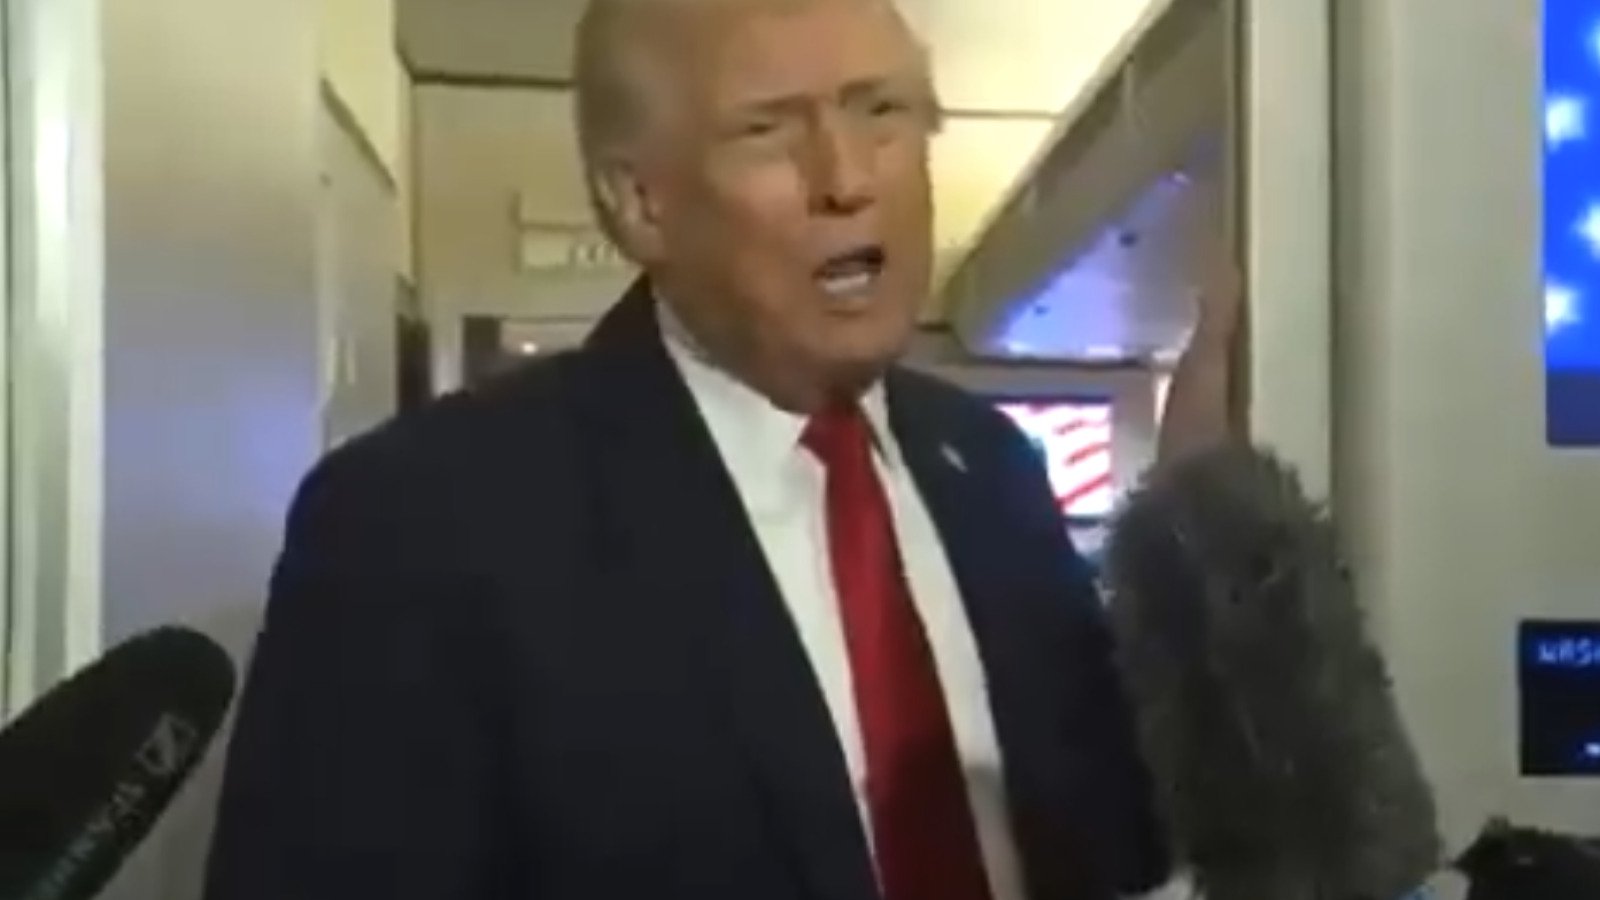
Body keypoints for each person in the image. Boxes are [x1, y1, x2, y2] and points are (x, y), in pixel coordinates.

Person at [202, 0, 1238, 897]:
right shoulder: (420, 525)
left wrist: (1201, 514)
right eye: (768, 131)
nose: (847, 179)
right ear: (639, 204)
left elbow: (1122, 839)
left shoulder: (993, 469)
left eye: (881, 111)